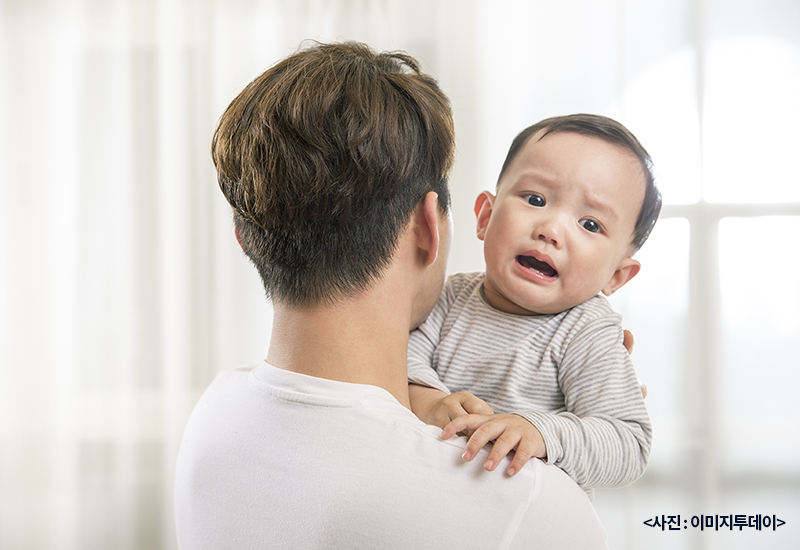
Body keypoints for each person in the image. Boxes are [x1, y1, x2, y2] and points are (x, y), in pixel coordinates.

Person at [173, 42, 609, 549]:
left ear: (244, 235)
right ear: (429, 226)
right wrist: (574, 430)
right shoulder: (520, 497)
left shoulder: (215, 414)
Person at [407, 114, 660, 499]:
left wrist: (541, 431)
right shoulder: (448, 298)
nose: (551, 230)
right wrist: (430, 402)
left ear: (617, 276)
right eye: (536, 199)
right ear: (485, 217)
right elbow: (398, 363)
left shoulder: (588, 331)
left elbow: (628, 443)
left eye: (590, 224)